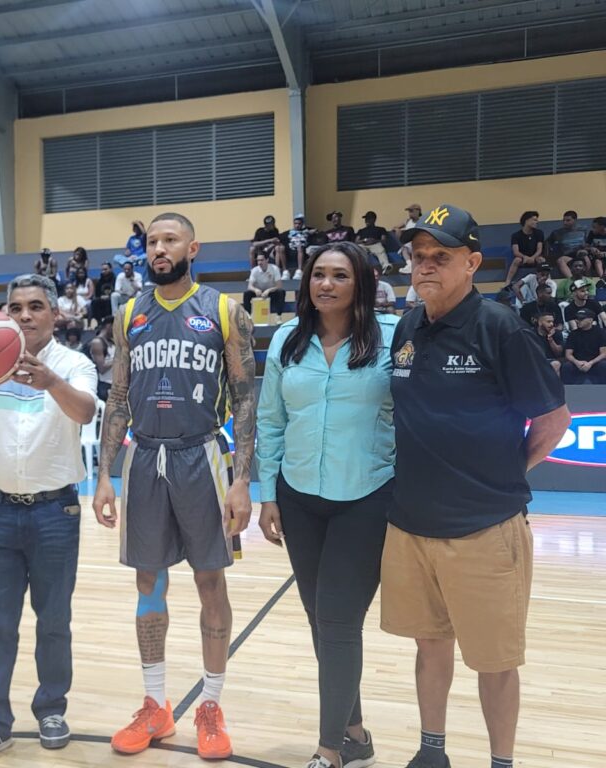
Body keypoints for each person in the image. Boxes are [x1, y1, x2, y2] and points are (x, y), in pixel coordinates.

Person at [385, 204, 570, 768]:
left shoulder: (500, 327)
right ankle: (431, 751)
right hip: (412, 526)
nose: (425, 267)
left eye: (440, 257)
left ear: (471, 263)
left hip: (485, 529)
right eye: (418, 257)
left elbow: (553, 421)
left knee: (494, 660)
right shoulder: (408, 327)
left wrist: (505, 477)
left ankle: (501, 762)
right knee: (429, 645)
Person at [93, 212, 257, 761]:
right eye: (151, 242)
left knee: (211, 582)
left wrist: (242, 482)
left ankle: (210, 704)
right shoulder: (128, 316)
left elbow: (245, 398)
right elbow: (117, 398)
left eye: (169, 240)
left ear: (193, 248)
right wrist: (103, 476)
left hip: (203, 456)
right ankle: (156, 704)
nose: (158, 249)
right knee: (149, 582)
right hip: (144, 457)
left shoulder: (224, 312)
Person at [0, 273, 97, 766]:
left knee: (54, 621)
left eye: (35, 306)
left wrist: (50, 382)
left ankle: (51, 709)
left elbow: (85, 413)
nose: (25, 315)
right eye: (16, 307)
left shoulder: (74, 364)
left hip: (56, 510)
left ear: (55, 314)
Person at [257, 242, 399, 768]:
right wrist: (267, 495)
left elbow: (413, 415)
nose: (326, 284)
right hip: (298, 499)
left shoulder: (391, 337)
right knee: (322, 619)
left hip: (366, 497)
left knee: (338, 620)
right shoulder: (286, 342)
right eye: (318, 274)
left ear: (360, 283)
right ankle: (356, 733)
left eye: (340, 275)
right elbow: (271, 422)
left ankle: (329, 751)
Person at [561, 307, 606, 384]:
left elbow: (604, 353)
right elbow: (568, 354)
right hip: (578, 363)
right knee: (566, 367)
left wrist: (590, 363)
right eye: (577, 318)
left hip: (595, 362)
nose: (577, 321)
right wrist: (577, 362)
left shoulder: (600, 332)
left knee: (603, 366)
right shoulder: (573, 334)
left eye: (581, 319)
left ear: (590, 320)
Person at [504, 210, 545, 285]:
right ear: (527, 220)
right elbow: (516, 252)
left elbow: (539, 249)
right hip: (523, 258)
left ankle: (547, 280)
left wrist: (532, 258)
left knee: (541, 260)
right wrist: (525, 257)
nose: (537, 222)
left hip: (535, 257)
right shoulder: (516, 235)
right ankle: (507, 282)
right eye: (534, 220)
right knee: (517, 260)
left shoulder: (539, 233)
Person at [546, 210, 586, 276]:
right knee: (560, 260)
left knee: (586, 257)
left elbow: (588, 244)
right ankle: (573, 281)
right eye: (564, 220)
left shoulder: (583, 230)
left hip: (581, 255)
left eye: (568, 220)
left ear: (575, 220)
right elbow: (547, 243)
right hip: (568, 257)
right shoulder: (557, 233)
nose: (565, 223)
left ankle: (589, 279)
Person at [243, 252, 284, 317]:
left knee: (281, 292)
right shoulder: (254, 270)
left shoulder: (274, 268)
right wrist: (255, 290)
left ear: (267, 260)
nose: (259, 262)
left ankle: (278, 316)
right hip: (258, 293)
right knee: (247, 293)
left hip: (271, 293)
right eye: (258, 260)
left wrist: (268, 290)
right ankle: (248, 316)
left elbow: (279, 285)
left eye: (262, 260)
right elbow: (249, 286)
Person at [86, 318, 115, 401]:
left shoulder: (112, 342)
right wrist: (119, 358)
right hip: (105, 384)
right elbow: (102, 368)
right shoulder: (97, 342)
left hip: (115, 382)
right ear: (109, 326)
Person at [392, 203, 423, 274]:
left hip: (418, 243)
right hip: (408, 243)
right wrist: (398, 230)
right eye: (409, 211)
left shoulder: (422, 221)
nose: (410, 213)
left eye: (411, 211)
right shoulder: (407, 221)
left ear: (418, 211)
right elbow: (395, 227)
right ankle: (409, 265)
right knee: (404, 249)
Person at [533, 310, 565, 375]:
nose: (551, 324)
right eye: (548, 322)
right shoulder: (531, 334)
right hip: (535, 360)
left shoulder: (556, 333)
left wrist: (550, 339)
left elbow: (559, 353)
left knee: (556, 364)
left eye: (552, 322)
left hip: (551, 360)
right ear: (540, 323)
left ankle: (555, 385)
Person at [281, 214, 312, 280]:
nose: (297, 225)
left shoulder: (305, 231)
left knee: (299, 247)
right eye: (295, 224)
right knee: (280, 248)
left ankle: (299, 270)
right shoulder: (289, 232)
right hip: (290, 248)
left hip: (301, 248)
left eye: (299, 224)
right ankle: (285, 271)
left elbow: (314, 231)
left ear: (302, 224)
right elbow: (279, 238)